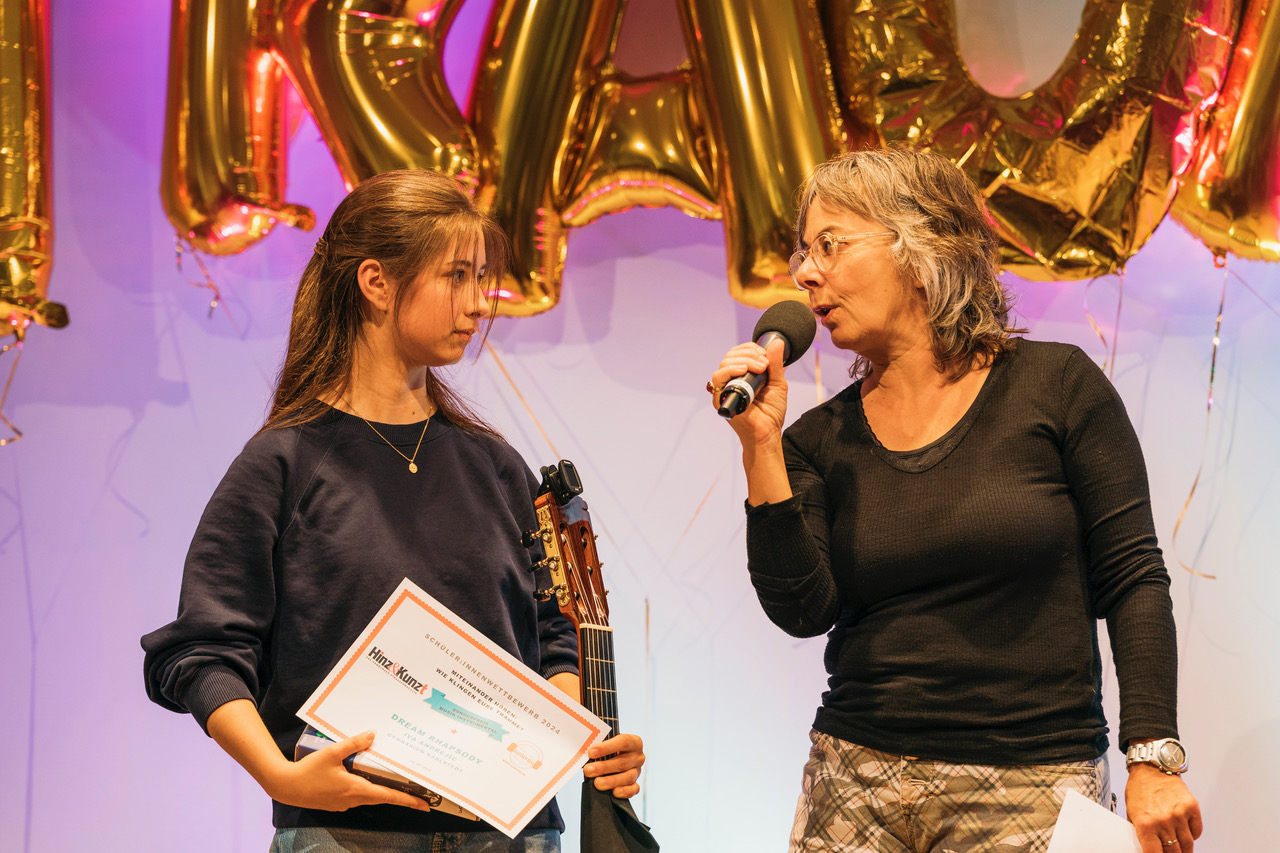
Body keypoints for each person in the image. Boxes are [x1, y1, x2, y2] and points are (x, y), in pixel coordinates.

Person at [708, 148, 1201, 853]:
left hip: (1030, 783)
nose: (806, 273)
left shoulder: (1058, 387)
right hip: (855, 782)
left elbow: (1133, 576)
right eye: (803, 253)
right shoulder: (818, 439)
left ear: (921, 247)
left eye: (830, 244)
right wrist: (761, 446)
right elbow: (802, 610)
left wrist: (1151, 756)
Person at [143, 169, 644, 853]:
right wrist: (281, 776)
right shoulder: (283, 464)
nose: (480, 303)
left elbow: (557, 635)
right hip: (348, 836)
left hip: (511, 835)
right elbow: (202, 651)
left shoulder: (497, 467)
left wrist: (577, 738)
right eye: (457, 276)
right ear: (376, 282)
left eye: (482, 278)